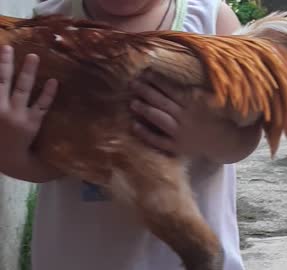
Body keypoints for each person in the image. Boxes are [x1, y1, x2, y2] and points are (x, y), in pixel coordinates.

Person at [0, 0, 262, 269]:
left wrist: (207, 134)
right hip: (78, 257)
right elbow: (51, 164)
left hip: (186, 259)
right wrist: (12, 151)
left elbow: (245, 138)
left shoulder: (209, 19)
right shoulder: (46, 23)